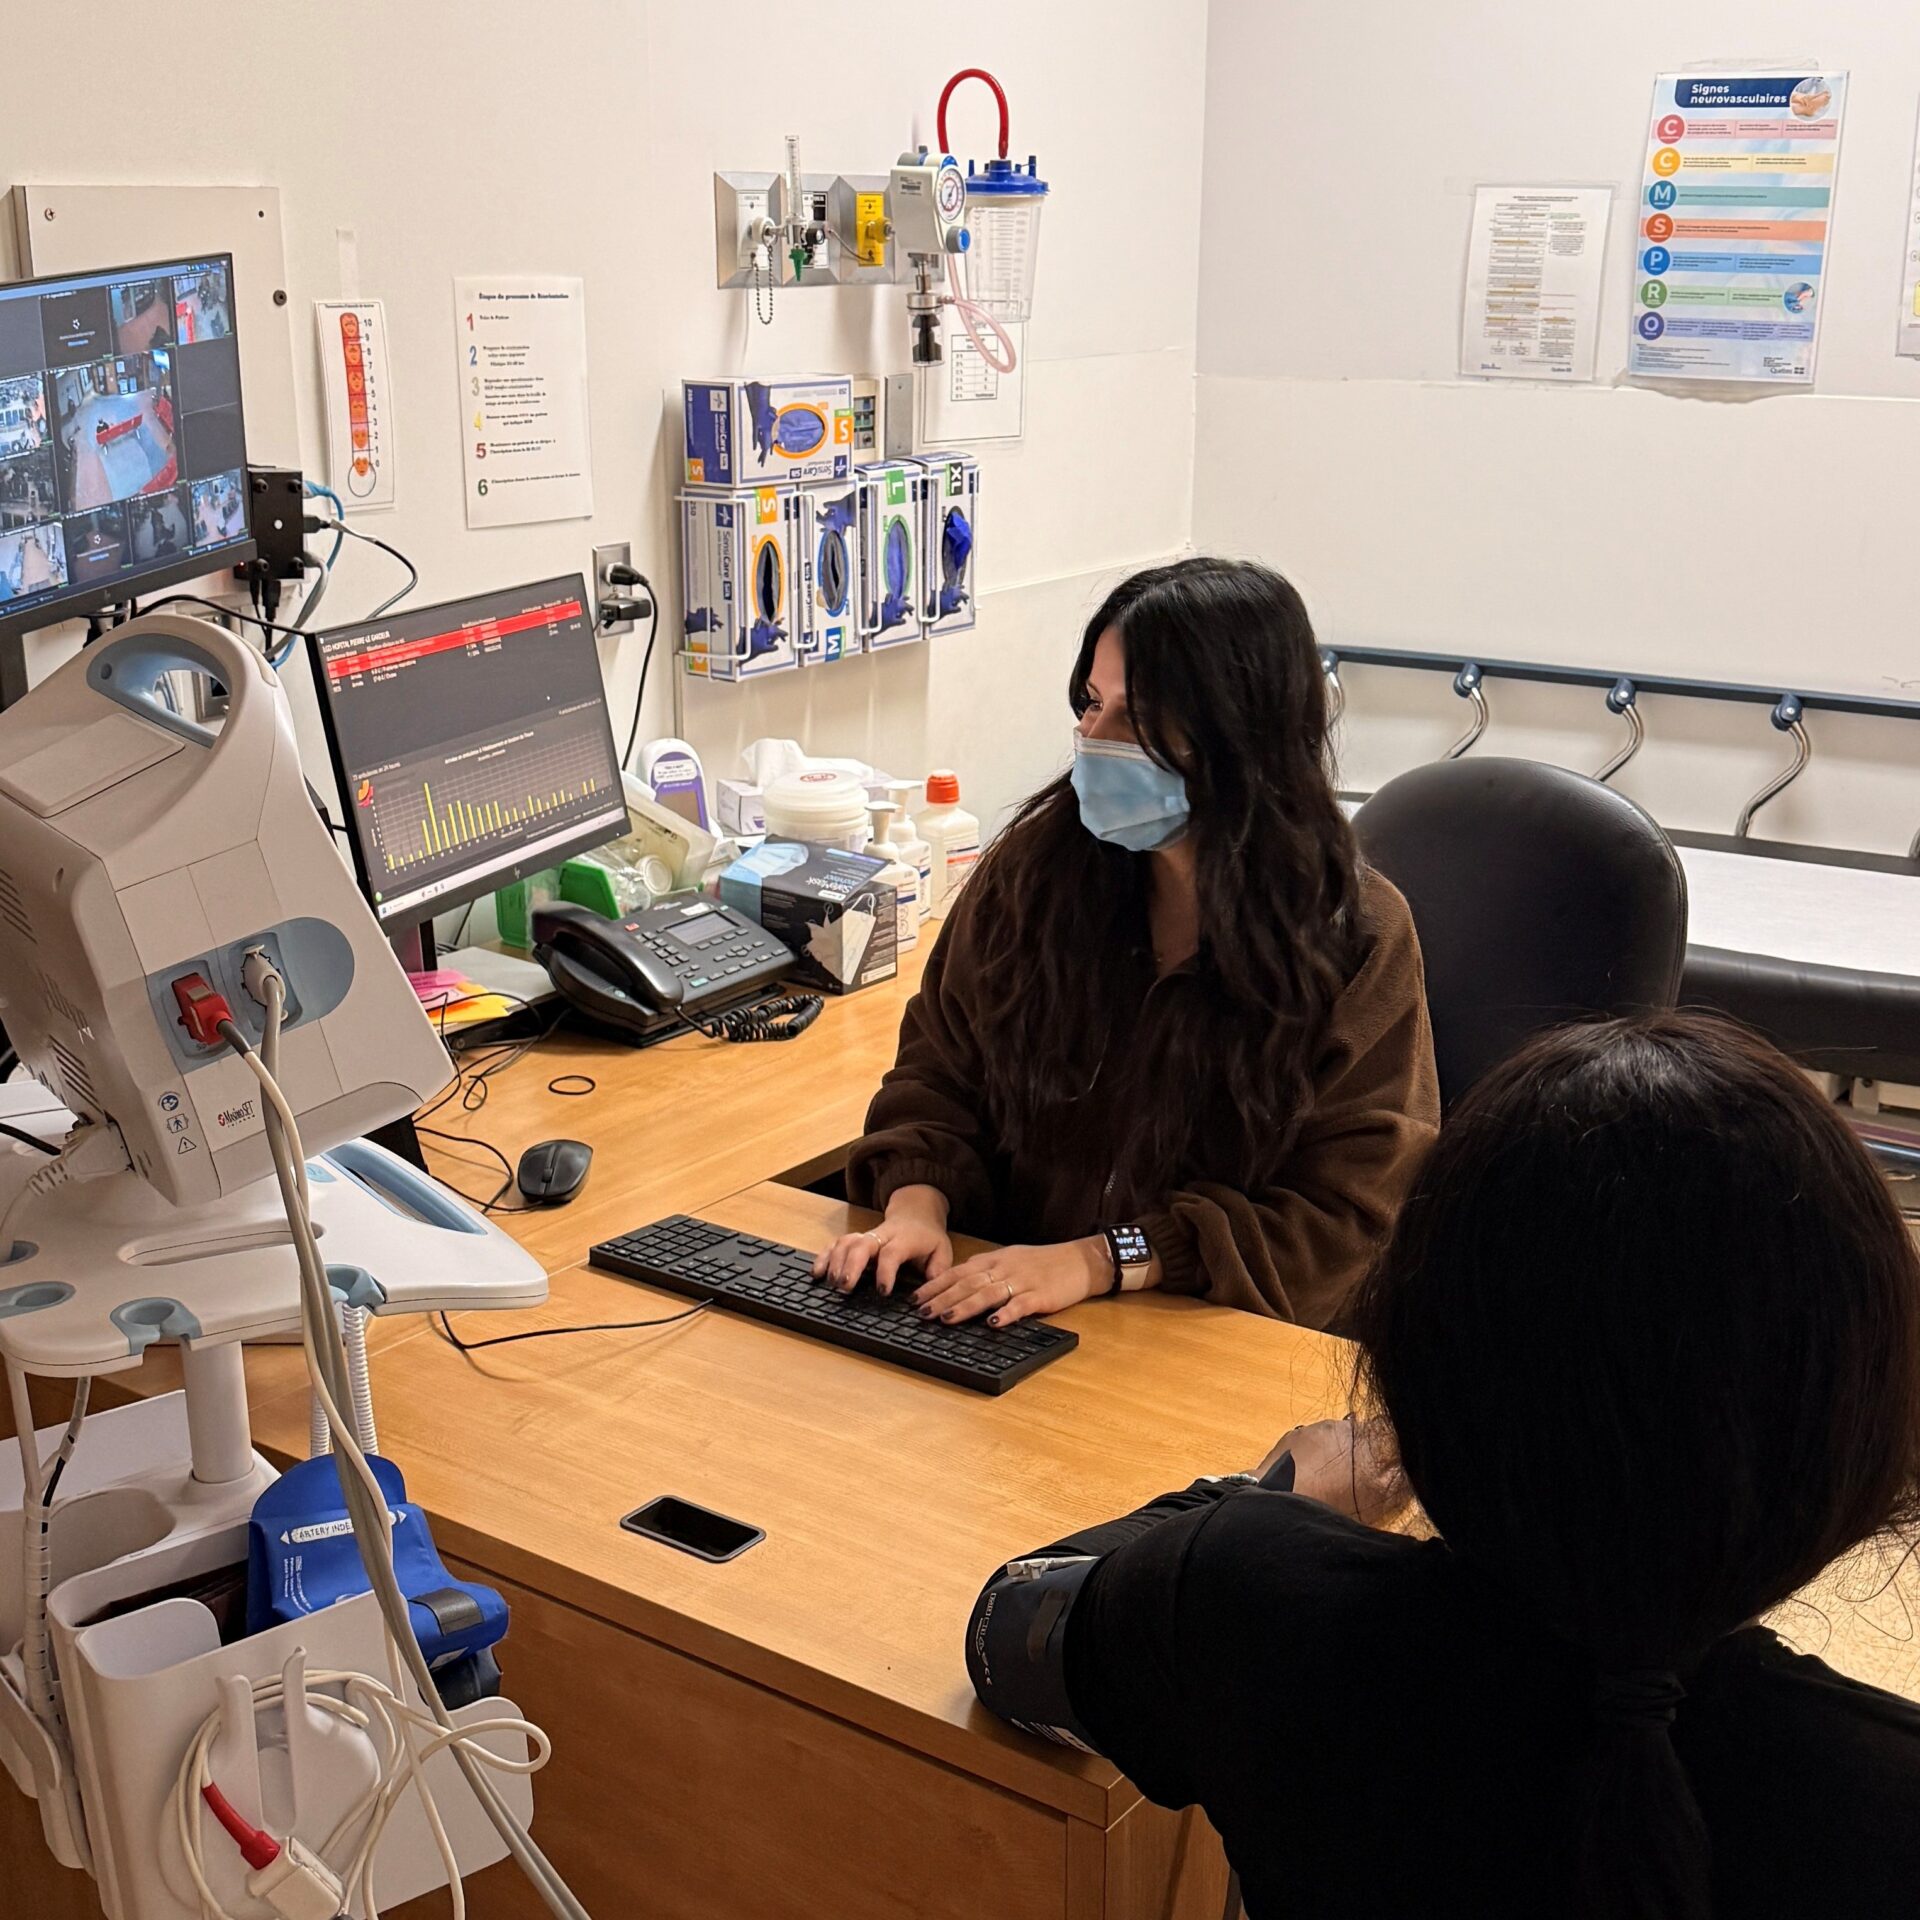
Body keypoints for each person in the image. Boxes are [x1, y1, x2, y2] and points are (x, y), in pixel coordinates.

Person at [966, 1013, 1920, 1917]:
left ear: (1417, 1373)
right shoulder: (1879, 1796)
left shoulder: (1250, 1605)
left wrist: (1263, 1495)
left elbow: (1008, 1631)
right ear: (1861, 1436)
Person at [816, 558, 1439, 1329]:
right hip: (1001, 1312)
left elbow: (1349, 1219)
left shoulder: (1356, 937)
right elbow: (938, 1073)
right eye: (1090, 703)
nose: (1093, 739)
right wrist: (917, 1203)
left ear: (1240, 734)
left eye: (1135, 716)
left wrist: (1103, 1259)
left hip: (1209, 1336)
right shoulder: (1034, 874)